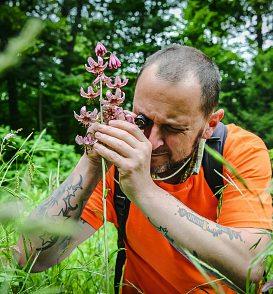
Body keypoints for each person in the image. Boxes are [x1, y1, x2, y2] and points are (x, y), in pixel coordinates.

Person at [16, 45, 272, 293]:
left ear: (210, 124)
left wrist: (145, 191)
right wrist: (92, 161)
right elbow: (29, 259)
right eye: (143, 120)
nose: (151, 142)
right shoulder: (119, 161)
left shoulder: (239, 151)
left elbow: (250, 270)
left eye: (173, 128)